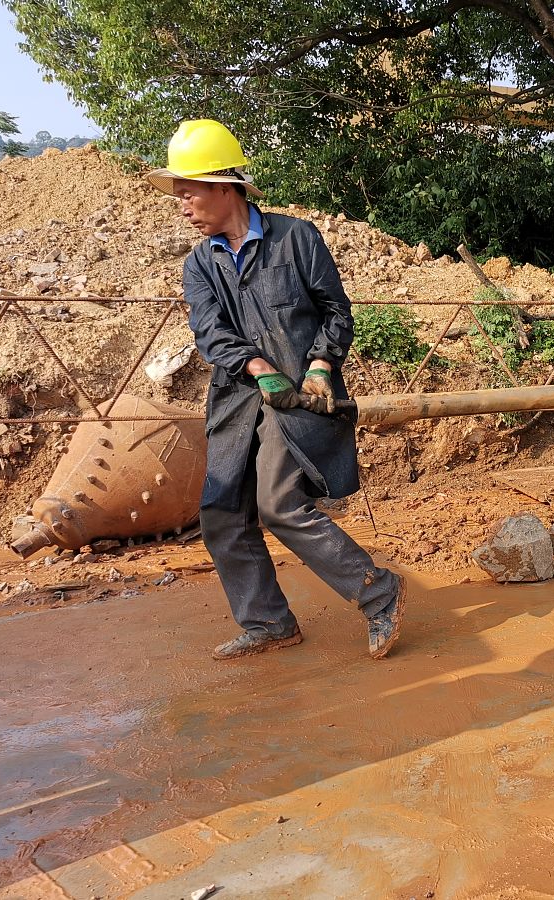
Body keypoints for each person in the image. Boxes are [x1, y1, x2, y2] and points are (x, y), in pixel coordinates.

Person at [145, 119, 406, 659]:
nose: (183, 206)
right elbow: (210, 332)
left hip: (300, 400)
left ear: (224, 187)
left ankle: (380, 593)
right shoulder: (200, 264)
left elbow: (336, 311)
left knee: (280, 504)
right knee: (222, 513)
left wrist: (320, 364)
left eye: (189, 193)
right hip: (237, 401)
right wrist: (256, 365)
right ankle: (268, 622)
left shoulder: (296, 238)